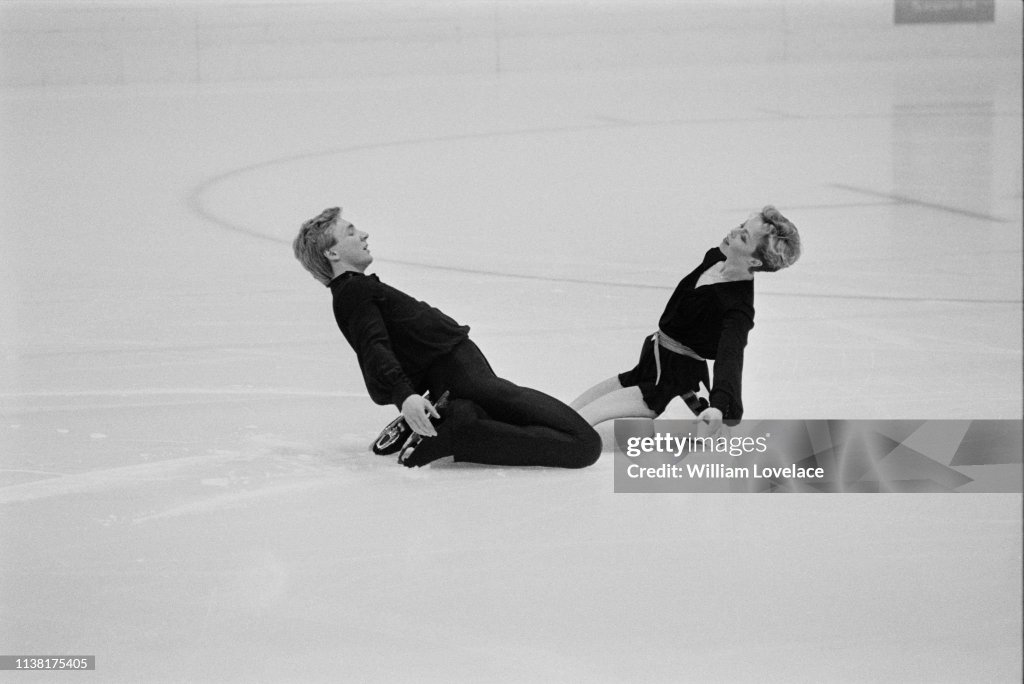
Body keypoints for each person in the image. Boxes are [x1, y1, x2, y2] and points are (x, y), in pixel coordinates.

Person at [292, 206, 601, 469]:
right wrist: (405, 396)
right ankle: (457, 428)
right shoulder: (353, 291)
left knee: (575, 438)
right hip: (463, 378)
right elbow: (374, 347)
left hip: (458, 378)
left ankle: (453, 417)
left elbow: (394, 344)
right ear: (332, 252)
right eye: (350, 232)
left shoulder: (353, 289)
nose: (363, 235)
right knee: (585, 445)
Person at [571, 206, 801, 433]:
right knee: (571, 412)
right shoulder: (716, 258)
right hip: (651, 366)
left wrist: (719, 407)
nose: (733, 231)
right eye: (741, 225)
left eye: (743, 236)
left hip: (674, 385)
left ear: (755, 262)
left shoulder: (737, 308)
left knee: (579, 423)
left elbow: (730, 358)